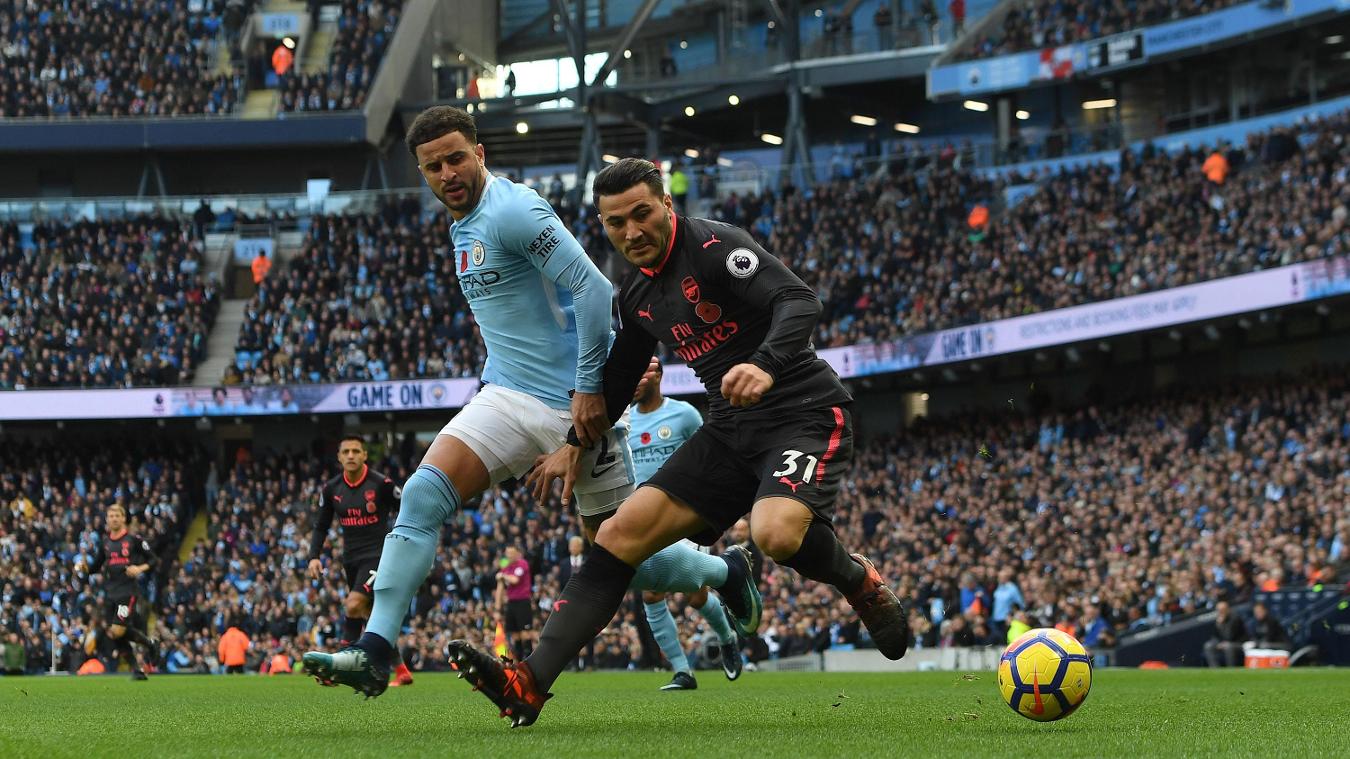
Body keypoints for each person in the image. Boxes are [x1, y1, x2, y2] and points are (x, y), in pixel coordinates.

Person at [447, 157, 908, 728]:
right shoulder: (636, 293)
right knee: (617, 535)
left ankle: (858, 581)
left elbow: (798, 300)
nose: (632, 231)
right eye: (616, 223)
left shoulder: (715, 247)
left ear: (667, 205)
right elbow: (619, 380)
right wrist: (573, 444)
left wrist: (764, 364)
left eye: (642, 213)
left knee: (774, 534)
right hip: (729, 430)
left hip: (803, 412)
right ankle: (528, 683)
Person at [302, 107, 744, 697]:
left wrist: (589, 387)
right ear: (422, 173)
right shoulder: (463, 224)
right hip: (506, 395)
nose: (447, 173)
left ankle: (723, 569)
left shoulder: (513, 211)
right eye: (433, 166)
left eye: (457, 158)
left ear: (479, 154)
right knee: (422, 494)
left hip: (575, 406)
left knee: (626, 557)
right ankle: (375, 650)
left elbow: (594, 289)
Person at [630, 360, 742, 690]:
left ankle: (727, 638)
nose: (636, 380)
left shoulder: (684, 415)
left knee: (695, 595)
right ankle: (682, 671)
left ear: (658, 375)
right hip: (644, 521)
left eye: (643, 372)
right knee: (652, 593)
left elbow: (710, 456)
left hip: (683, 514)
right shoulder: (626, 421)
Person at [306, 435, 413, 686]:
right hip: (351, 560)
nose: (351, 456)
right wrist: (313, 557)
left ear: (365, 455)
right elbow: (321, 525)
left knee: (353, 605)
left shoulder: (381, 484)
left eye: (356, 451)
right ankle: (401, 670)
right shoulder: (331, 489)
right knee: (370, 614)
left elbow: (408, 508)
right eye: (346, 452)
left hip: (379, 556)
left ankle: (339, 667)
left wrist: (404, 542)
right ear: (339, 457)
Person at [78, 504, 160, 681]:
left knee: (117, 630)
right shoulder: (105, 542)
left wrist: (139, 568)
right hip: (110, 592)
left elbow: (154, 559)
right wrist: (85, 568)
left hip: (127, 591)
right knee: (114, 633)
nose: (114, 518)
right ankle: (138, 666)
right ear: (107, 520)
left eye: (117, 515)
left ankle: (148, 646)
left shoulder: (134, 539)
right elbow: (96, 566)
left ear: (123, 518)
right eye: (111, 516)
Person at [497, 546, 535, 660]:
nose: (509, 555)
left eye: (512, 553)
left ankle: (529, 660)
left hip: (522, 602)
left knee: (525, 633)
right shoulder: (506, 567)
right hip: (511, 603)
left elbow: (515, 580)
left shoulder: (522, 564)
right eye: (507, 553)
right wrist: (497, 608)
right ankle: (519, 661)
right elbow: (500, 587)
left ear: (517, 554)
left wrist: (502, 576)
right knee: (514, 634)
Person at [1203, 600, 1248, 667]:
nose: (1220, 612)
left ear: (1228, 609)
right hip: (1223, 643)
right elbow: (1214, 636)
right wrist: (1218, 643)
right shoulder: (1218, 619)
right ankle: (1215, 669)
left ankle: (1230, 669)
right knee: (1208, 646)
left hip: (1237, 643)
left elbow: (1229, 636)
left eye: (1222, 610)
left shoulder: (1235, 619)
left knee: (1228, 647)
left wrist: (1220, 625)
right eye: (1219, 610)